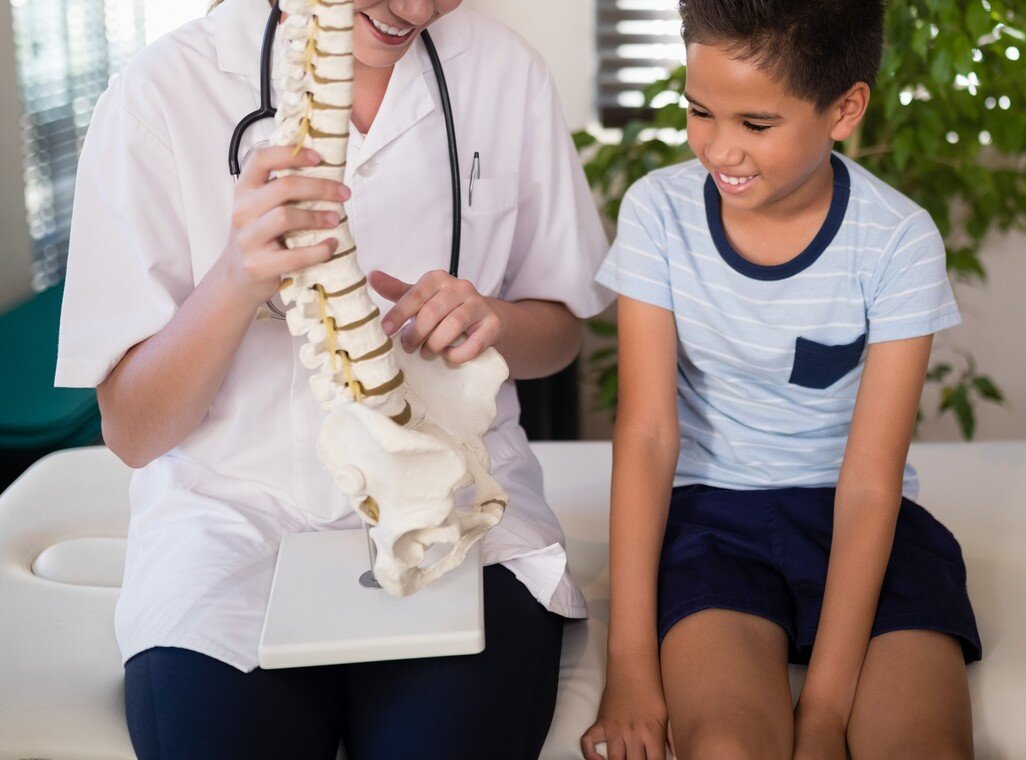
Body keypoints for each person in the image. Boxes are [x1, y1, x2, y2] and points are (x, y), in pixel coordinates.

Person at [54, 1, 610, 757]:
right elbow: (132, 429)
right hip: (228, 527)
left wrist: (493, 324)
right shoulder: (159, 94)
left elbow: (559, 332)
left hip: (456, 513)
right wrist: (236, 277)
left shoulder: (505, 73)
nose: (414, 10)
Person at [582, 1, 982, 758]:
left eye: (756, 126)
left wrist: (825, 714)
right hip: (714, 526)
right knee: (727, 746)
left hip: (865, 528)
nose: (718, 148)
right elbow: (646, 434)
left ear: (845, 109)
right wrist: (630, 669)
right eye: (699, 111)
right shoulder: (657, 214)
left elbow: (869, 483)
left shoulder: (898, 240)